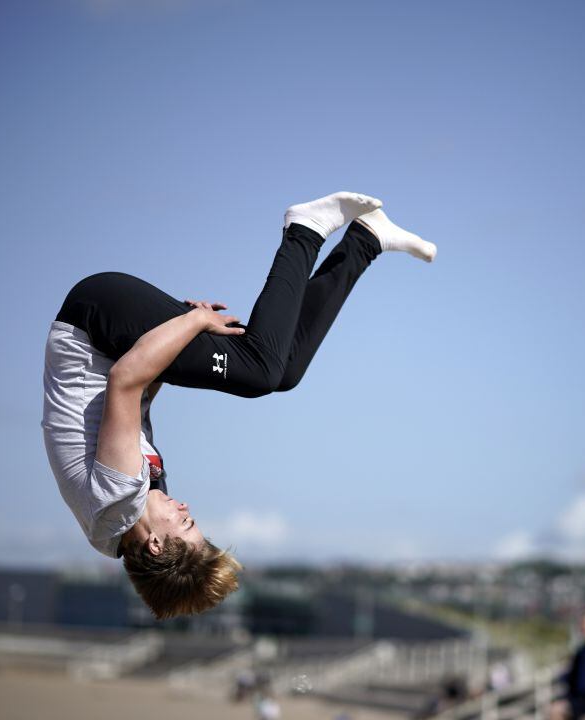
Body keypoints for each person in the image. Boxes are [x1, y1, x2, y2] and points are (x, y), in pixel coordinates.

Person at [41, 192, 436, 619]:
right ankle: (366, 240)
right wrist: (179, 336)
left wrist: (192, 323)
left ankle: (304, 231)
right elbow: (138, 402)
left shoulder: (117, 500)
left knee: (259, 371)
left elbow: (124, 382)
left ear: (154, 544)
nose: (187, 511)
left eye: (187, 526)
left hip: (95, 320)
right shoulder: (127, 519)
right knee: (282, 373)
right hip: (118, 338)